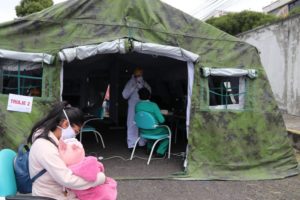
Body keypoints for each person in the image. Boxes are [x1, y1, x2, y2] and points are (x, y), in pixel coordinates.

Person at [27, 101, 106, 199]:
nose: (75, 135)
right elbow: (67, 179)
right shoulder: (44, 147)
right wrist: (99, 179)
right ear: (65, 123)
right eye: (76, 131)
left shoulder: (54, 140)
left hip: (60, 192)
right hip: (50, 196)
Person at [122, 67, 151, 151]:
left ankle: (142, 142)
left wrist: (142, 87)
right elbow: (124, 95)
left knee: (143, 123)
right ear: (134, 74)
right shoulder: (130, 83)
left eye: (140, 74)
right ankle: (131, 144)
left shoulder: (145, 83)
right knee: (132, 124)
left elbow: (149, 93)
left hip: (143, 105)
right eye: (137, 75)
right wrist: (133, 87)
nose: (139, 76)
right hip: (133, 106)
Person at [135, 87, 170, 157]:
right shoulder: (153, 105)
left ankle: (149, 149)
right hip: (154, 130)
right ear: (149, 96)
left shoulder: (137, 106)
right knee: (167, 133)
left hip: (143, 131)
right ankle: (160, 152)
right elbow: (162, 120)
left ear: (139, 96)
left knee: (150, 130)